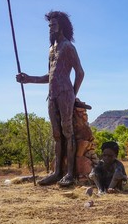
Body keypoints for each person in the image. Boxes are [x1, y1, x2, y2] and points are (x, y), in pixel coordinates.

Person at [16, 11, 84, 186]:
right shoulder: (51, 49)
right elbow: (51, 76)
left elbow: (80, 73)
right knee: (56, 134)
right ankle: (56, 172)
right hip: (52, 95)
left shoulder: (68, 47)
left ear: (61, 26)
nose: (50, 29)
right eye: (49, 26)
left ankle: (70, 174)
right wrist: (29, 79)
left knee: (67, 132)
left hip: (65, 94)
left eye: (53, 25)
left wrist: (72, 95)